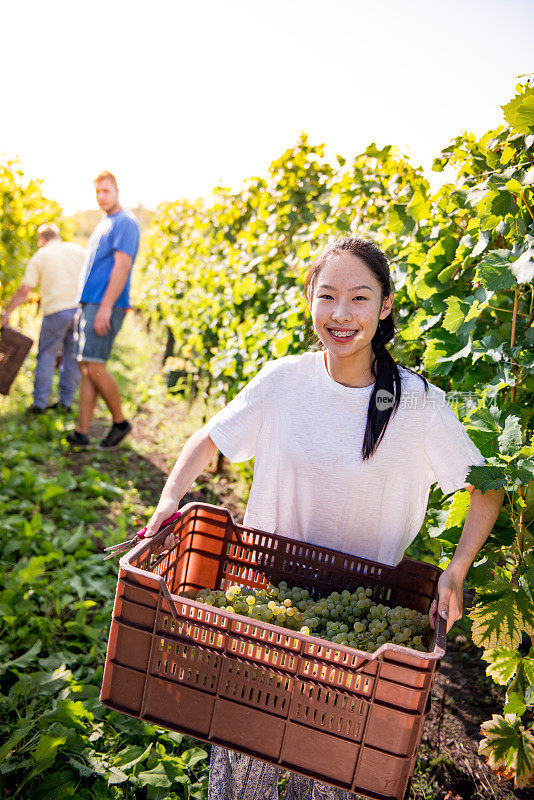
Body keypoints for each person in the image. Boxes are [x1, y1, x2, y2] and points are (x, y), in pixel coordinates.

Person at [143, 237, 504, 800]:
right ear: (309, 298)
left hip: (359, 632)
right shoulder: (284, 380)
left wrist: (456, 569)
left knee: (330, 771)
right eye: (328, 296)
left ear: (385, 306)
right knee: (246, 757)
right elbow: (209, 439)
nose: (341, 314)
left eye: (359, 298)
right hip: (266, 605)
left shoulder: (417, 403)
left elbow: (487, 487)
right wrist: (169, 501)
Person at [67, 171, 140, 450]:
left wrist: (105, 308)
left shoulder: (126, 223)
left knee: (94, 365)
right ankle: (82, 432)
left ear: (117, 191)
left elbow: (122, 267)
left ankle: (120, 422)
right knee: (87, 366)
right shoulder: (103, 223)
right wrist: (83, 306)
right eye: (97, 192)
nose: (101, 196)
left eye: (106, 191)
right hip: (91, 304)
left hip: (105, 305)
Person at [0, 223, 85, 412]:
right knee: (71, 357)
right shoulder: (78, 251)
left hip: (56, 311)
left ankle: (40, 404)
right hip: (79, 312)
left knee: (47, 355)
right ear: (58, 235)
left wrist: (8, 312)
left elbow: (25, 289)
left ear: (41, 239)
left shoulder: (42, 255)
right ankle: (66, 403)